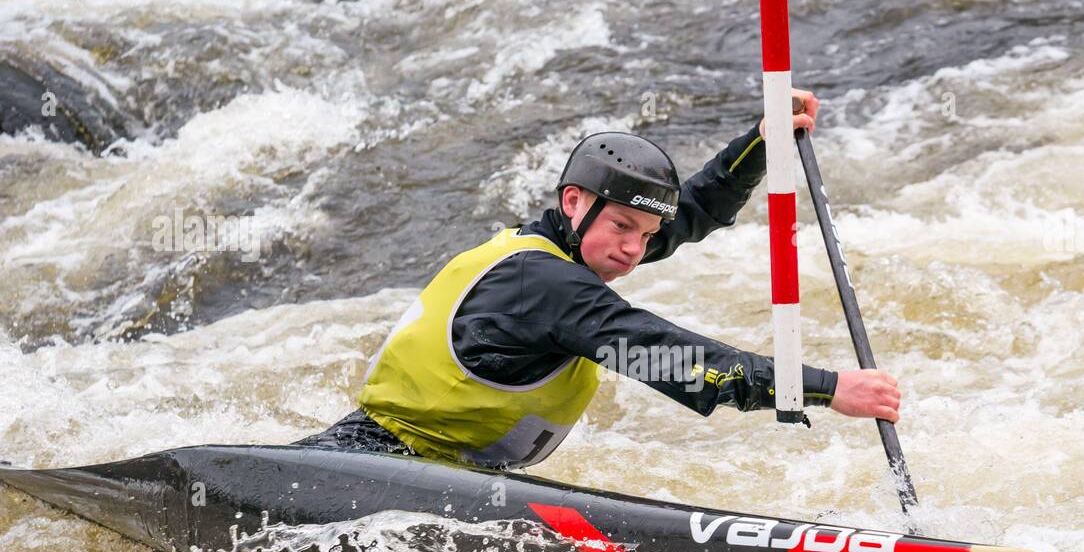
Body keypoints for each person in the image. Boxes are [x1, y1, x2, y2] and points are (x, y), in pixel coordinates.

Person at [297, 90, 902, 469]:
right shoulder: (544, 285)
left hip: (430, 468)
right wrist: (825, 388)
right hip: (375, 463)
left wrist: (760, 145)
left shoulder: (571, 248)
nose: (635, 249)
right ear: (572, 202)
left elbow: (689, 213)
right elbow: (675, 361)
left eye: (645, 234)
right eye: (623, 226)